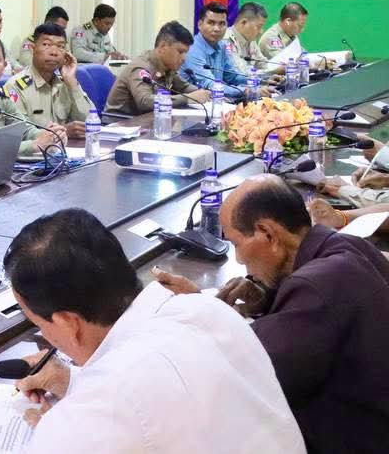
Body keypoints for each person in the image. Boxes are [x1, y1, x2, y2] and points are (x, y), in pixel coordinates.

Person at [6, 209, 303, 454]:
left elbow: (127, 401)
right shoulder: (206, 309)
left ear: (67, 322)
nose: (46, 336)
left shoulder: (92, 417)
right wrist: (72, 381)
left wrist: (62, 435)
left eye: (40, 325)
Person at [154, 176, 389, 453]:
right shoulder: (350, 247)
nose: (239, 259)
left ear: (268, 233)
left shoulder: (315, 287)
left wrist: (200, 309)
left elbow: (245, 374)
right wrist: (269, 299)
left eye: (237, 244)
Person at [104, 21, 212, 115]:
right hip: (120, 124)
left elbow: (184, 87)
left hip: (148, 121)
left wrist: (206, 94)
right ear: (163, 47)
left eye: (186, 53)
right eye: (180, 52)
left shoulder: (168, 67)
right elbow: (144, 102)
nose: (184, 58)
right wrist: (188, 98)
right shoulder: (141, 68)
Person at [5, 23, 92, 139]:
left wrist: (72, 83)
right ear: (32, 49)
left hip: (68, 148)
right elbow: (19, 132)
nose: (54, 52)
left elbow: (91, 122)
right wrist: (62, 132)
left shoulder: (66, 83)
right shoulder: (15, 86)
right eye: (46, 45)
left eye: (60, 46)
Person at [179, 1, 258, 101]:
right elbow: (210, 85)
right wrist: (246, 90)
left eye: (222, 24)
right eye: (211, 23)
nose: (217, 29)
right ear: (199, 24)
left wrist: (259, 81)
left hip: (215, 101)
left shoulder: (221, 46)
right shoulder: (192, 49)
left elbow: (232, 76)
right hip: (192, 105)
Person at [259, 2, 327, 69]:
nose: (302, 30)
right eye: (300, 26)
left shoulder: (291, 37)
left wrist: (320, 62)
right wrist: (314, 65)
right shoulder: (271, 38)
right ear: (288, 21)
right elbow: (285, 64)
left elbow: (303, 57)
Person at [223, 1, 278, 75]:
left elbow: (263, 63)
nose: (261, 31)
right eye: (259, 27)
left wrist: (276, 69)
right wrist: (272, 72)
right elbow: (240, 72)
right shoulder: (227, 40)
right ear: (244, 22)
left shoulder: (250, 40)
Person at [17, 6, 69, 71]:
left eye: (64, 29)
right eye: (46, 44)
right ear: (48, 23)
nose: (62, 31)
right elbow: (26, 62)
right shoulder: (31, 41)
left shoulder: (63, 42)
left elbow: (68, 61)